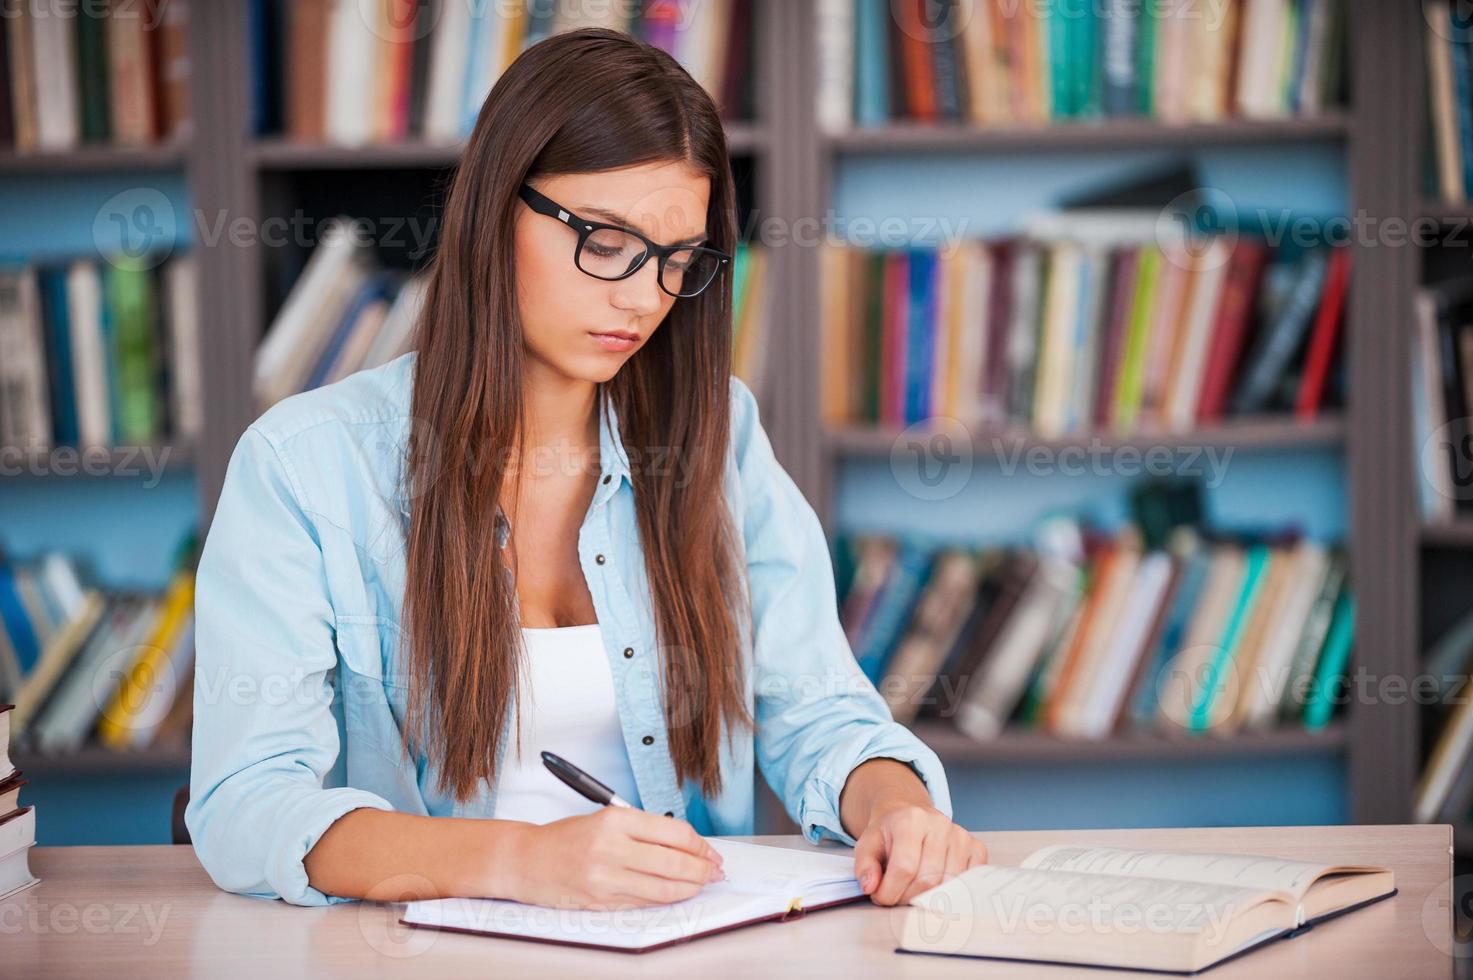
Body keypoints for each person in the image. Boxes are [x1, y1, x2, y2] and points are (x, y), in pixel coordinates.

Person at [186, 27, 985, 912]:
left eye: (677, 260)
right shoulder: (305, 466)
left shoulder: (714, 436)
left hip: (679, 946)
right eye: (606, 242)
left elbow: (821, 711)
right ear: (496, 210)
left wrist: (896, 807)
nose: (644, 298)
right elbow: (248, 805)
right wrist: (520, 862)